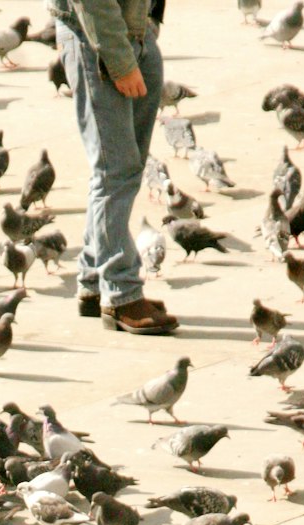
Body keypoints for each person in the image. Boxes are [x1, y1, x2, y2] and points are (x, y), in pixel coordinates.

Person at [50, 0, 179, 334]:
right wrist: (120, 60)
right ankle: (120, 293)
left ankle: (95, 281)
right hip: (97, 39)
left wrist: (149, 25)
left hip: (134, 30)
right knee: (115, 171)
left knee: (124, 169)